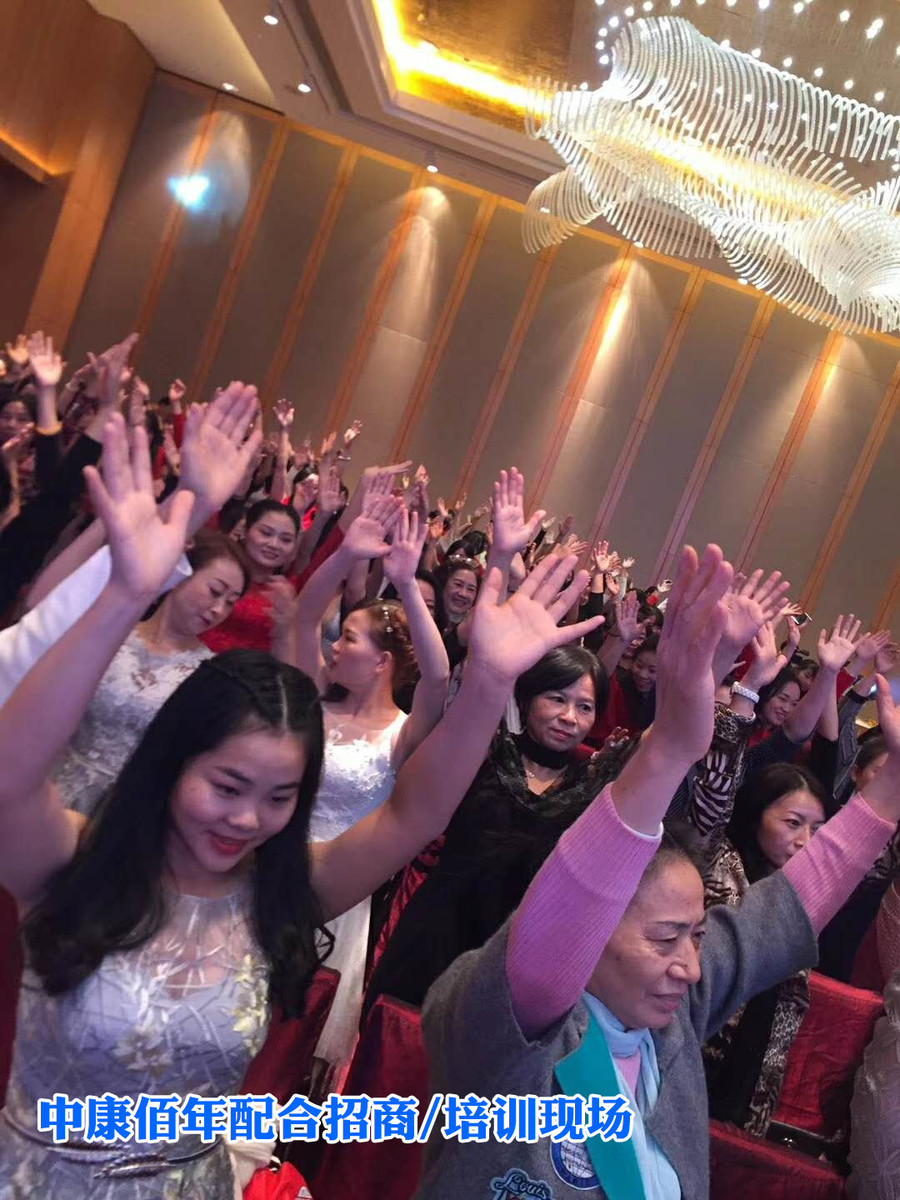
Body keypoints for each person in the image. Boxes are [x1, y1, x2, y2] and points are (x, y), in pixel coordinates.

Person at [0, 411, 601, 1196]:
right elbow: (10, 772)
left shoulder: (277, 892)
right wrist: (124, 595)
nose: (247, 819)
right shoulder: (70, 862)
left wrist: (487, 682)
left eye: (280, 797)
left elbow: (413, 814)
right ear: (172, 763)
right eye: (226, 787)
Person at [415, 543, 900, 1200]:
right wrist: (669, 747)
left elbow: (789, 905)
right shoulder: (508, 1023)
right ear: (588, 931)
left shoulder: (670, 1019)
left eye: (696, 936)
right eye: (667, 938)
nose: (691, 967)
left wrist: (892, 784)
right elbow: (558, 922)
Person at [280, 487, 451, 1090]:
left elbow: (439, 676)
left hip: (340, 896)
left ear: (382, 662)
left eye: (349, 638)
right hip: (272, 866)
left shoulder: (401, 734)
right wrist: (346, 552)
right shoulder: (312, 702)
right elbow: (304, 617)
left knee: (295, 1045)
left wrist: (405, 583)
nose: (334, 646)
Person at [365, 640, 610, 1015]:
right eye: (557, 699)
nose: (569, 717)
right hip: (438, 933)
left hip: (515, 954)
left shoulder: (592, 785)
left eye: (585, 707)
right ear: (526, 699)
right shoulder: (485, 750)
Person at [54, 532, 250, 815]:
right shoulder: (113, 632)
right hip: (57, 783)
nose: (219, 609)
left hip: (128, 809)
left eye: (231, 602)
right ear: (180, 575)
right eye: (215, 591)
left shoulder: (211, 674)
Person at [199, 499, 301, 654]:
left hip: (253, 668)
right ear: (245, 531)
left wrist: (285, 628)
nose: (274, 544)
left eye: (285, 540)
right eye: (266, 533)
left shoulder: (286, 592)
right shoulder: (215, 569)